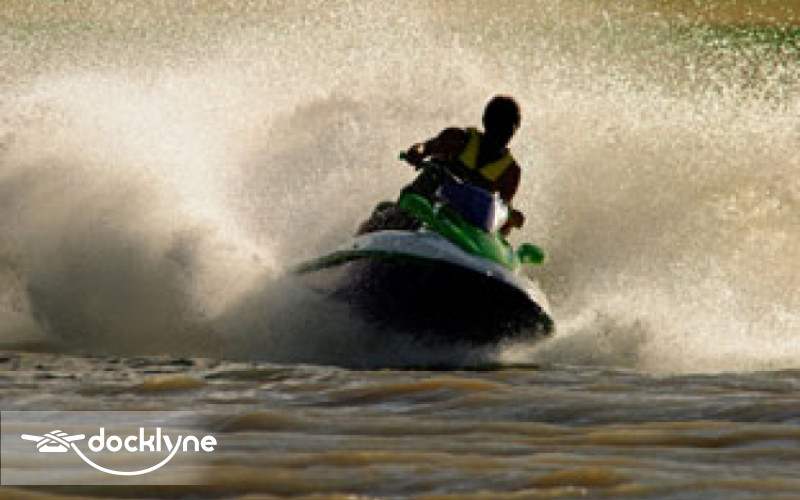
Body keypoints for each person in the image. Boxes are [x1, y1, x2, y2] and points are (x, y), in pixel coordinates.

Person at [357, 95, 526, 236]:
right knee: (392, 216)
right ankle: (360, 242)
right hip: (422, 206)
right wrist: (416, 153)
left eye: (509, 127)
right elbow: (424, 147)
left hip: (462, 229)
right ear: (485, 121)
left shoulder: (510, 173)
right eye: (499, 124)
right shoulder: (458, 138)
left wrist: (509, 220)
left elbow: (501, 222)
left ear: (515, 129)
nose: (503, 133)